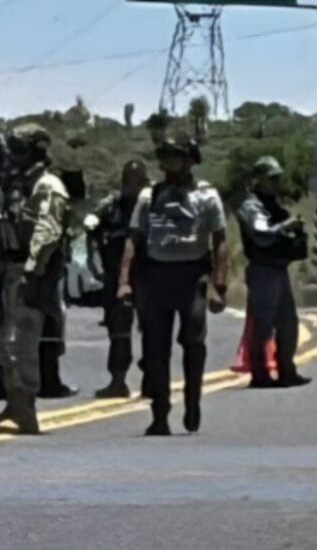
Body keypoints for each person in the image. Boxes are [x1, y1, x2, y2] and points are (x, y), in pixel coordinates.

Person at [118, 136, 228, 436]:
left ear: (190, 161)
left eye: (174, 157)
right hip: (156, 277)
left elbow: (219, 240)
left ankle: (193, 402)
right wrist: (124, 282)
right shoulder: (148, 196)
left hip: (192, 276)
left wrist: (219, 283)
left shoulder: (206, 196)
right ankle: (160, 413)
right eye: (164, 157)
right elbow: (134, 239)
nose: (167, 163)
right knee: (155, 348)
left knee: (193, 340)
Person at [0, 123, 72, 436]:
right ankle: (14, 405)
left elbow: (48, 233)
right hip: (8, 270)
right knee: (4, 347)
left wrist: (33, 273)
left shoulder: (48, 186)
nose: (13, 156)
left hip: (30, 272)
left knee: (22, 345)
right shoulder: (17, 186)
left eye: (19, 149)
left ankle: (26, 408)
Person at [237, 156, 311, 389]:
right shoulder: (252, 206)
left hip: (278, 270)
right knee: (263, 324)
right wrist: (285, 228)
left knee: (288, 322)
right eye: (271, 179)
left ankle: (286, 369)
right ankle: (260, 374)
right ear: (259, 180)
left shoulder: (273, 206)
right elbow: (262, 235)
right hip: (263, 271)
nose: (276, 183)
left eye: (277, 178)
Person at [88, 160, 150, 399]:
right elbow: (91, 229)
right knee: (118, 329)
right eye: (126, 180)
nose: (129, 186)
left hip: (146, 274)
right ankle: (118, 380)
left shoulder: (150, 204)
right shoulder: (111, 206)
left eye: (135, 180)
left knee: (152, 328)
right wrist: (94, 263)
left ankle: (151, 376)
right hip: (116, 274)